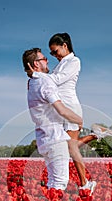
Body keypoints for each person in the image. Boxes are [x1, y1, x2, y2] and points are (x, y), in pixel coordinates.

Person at [28, 33, 112, 190]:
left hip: (69, 108)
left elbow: (56, 80)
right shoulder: (60, 64)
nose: (54, 56)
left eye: (55, 51)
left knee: (70, 147)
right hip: (61, 110)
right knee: (68, 146)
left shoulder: (74, 61)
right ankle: (96, 135)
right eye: (51, 53)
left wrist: (36, 75)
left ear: (65, 46)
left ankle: (85, 184)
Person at [22, 47, 84, 193]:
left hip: (43, 139)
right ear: (36, 64)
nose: (47, 60)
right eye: (44, 59)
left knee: (53, 182)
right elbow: (61, 109)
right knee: (60, 183)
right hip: (55, 138)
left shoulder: (31, 84)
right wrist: (78, 120)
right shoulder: (45, 82)